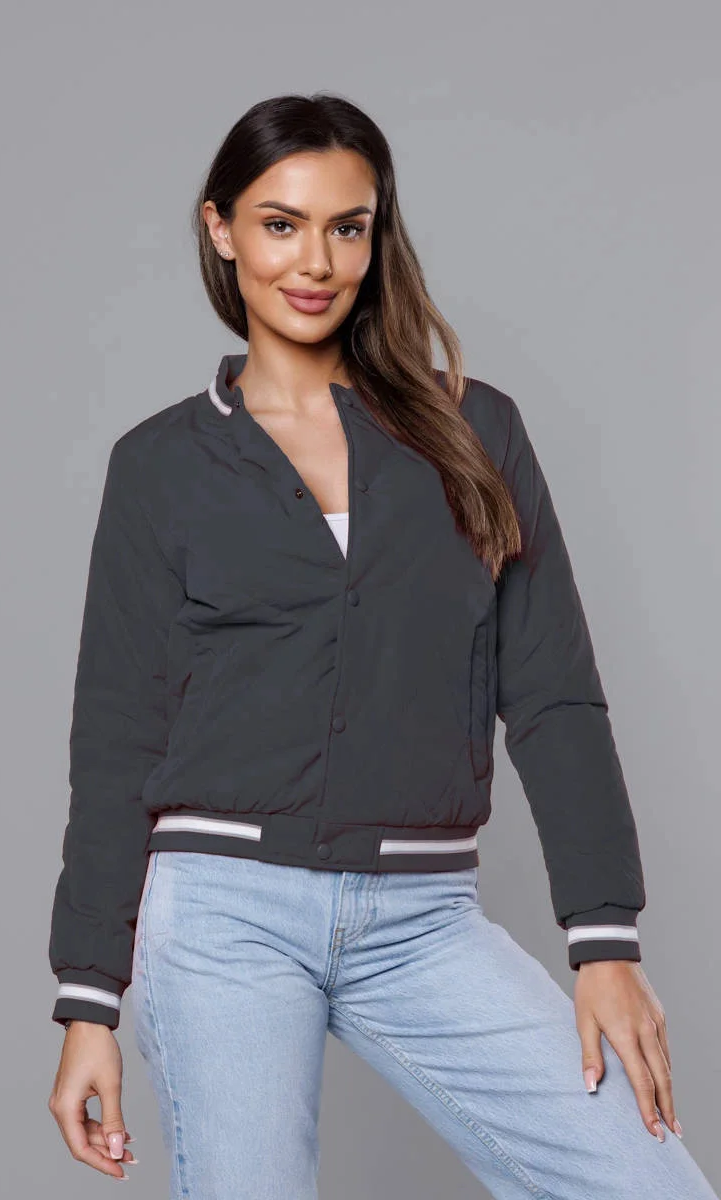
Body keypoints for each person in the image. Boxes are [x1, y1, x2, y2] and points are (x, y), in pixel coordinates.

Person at [47, 92, 719, 1199]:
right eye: (280, 224)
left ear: (377, 235)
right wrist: (89, 1002)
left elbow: (553, 694)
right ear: (221, 229)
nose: (315, 262)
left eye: (346, 227)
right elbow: (116, 737)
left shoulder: (475, 432)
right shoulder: (159, 465)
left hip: (422, 918)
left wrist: (605, 943)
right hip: (221, 916)